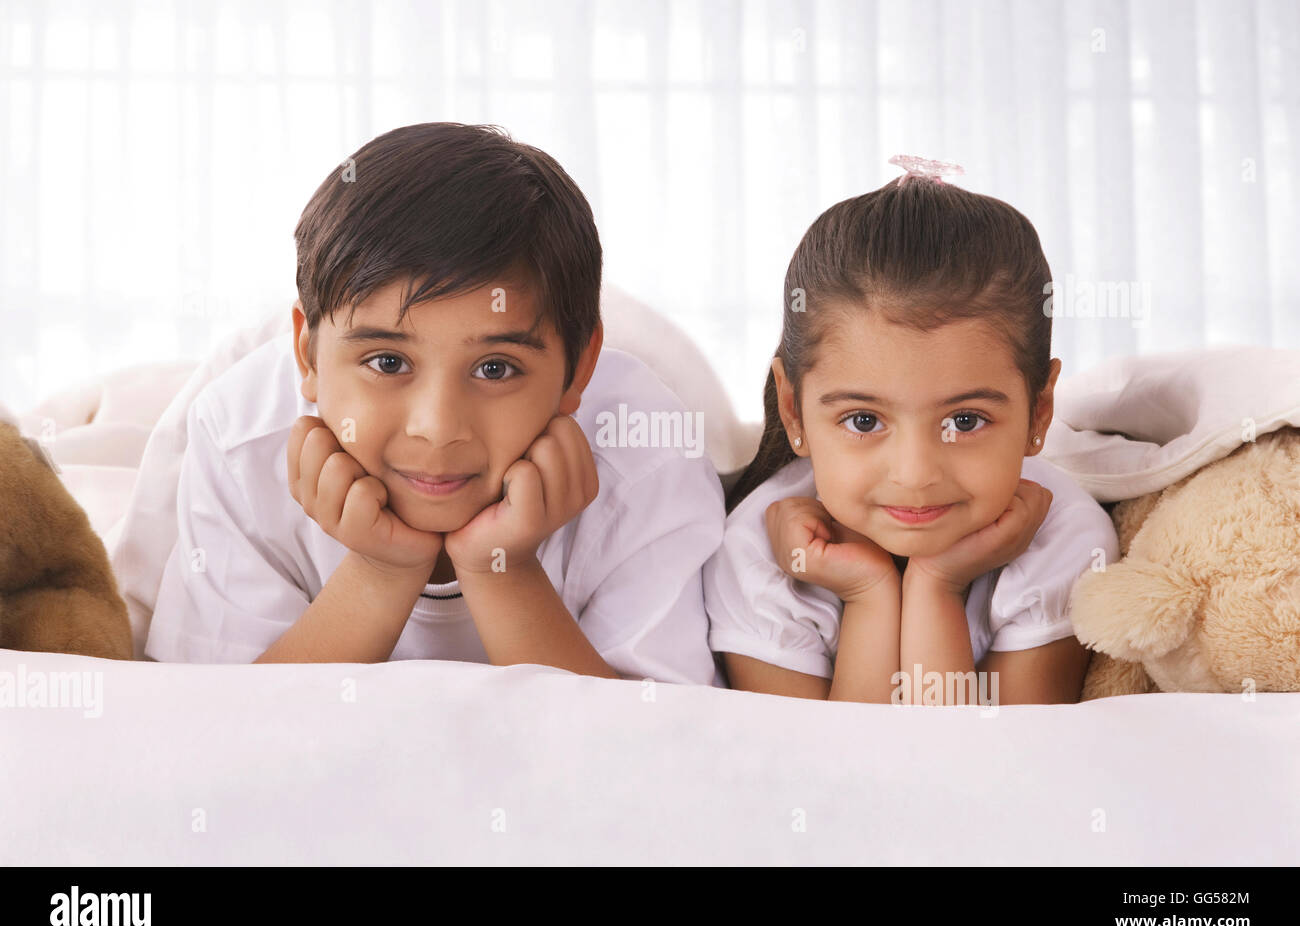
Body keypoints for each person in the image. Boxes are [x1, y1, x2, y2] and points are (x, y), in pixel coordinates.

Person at [145, 122, 724, 686]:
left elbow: (652, 755)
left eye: (495, 369)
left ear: (580, 368)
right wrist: (379, 573)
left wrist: (503, 573)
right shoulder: (237, 439)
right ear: (309, 357)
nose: (437, 430)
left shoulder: (651, 452)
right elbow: (214, 732)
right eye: (388, 363)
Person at [704, 157, 1118, 705]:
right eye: (864, 421)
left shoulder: (1064, 541)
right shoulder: (759, 552)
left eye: (964, 421)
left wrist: (936, 585)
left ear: (1039, 412)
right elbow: (825, 776)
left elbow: (997, 777)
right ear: (794, 412)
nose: (916, 474)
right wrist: (869, 591)